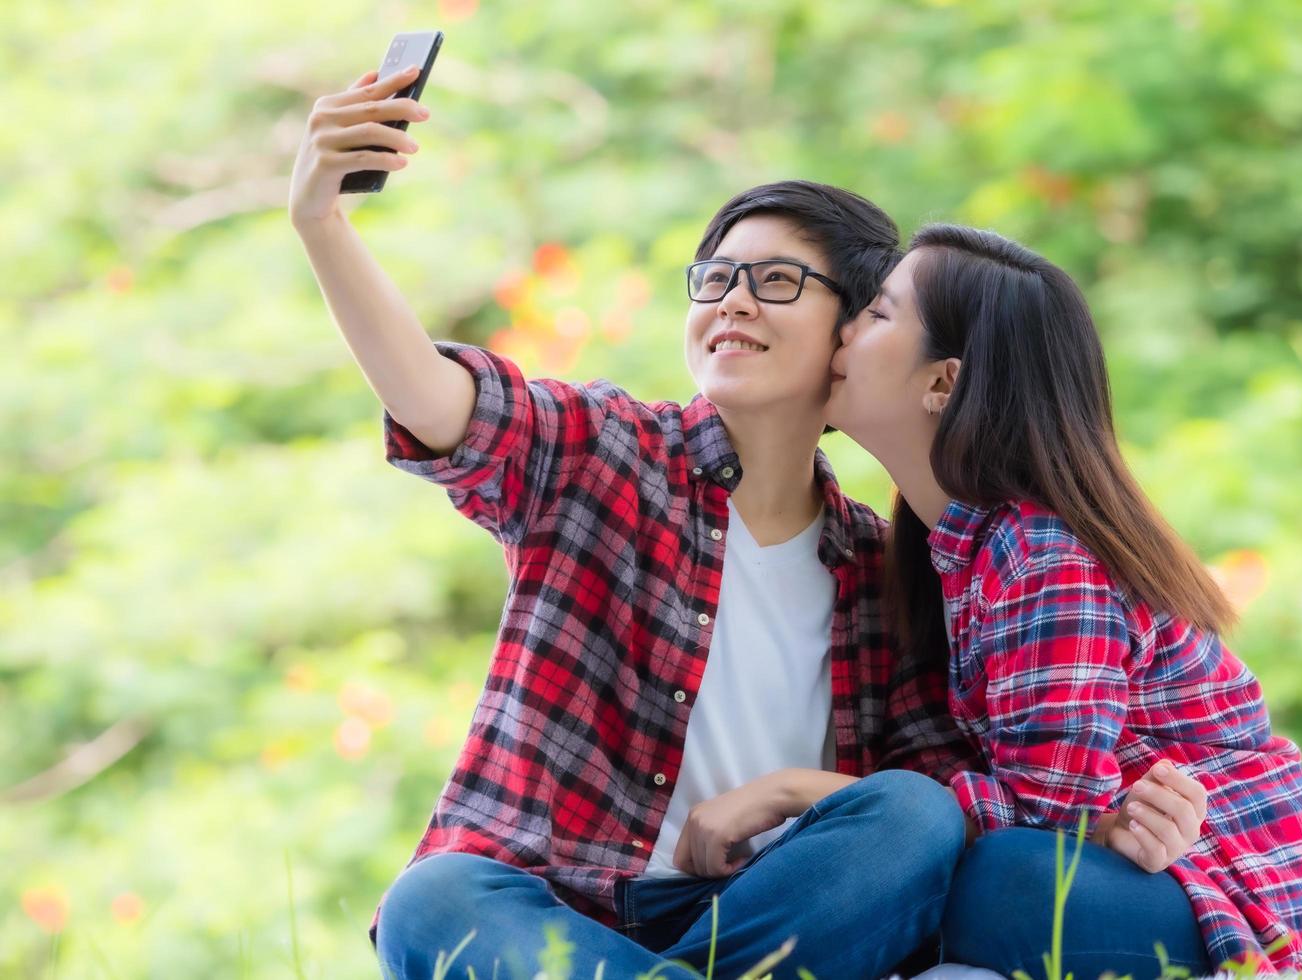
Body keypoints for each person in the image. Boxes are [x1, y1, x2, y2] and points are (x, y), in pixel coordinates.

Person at [289, 68, 1206, 979]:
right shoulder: (603, 454)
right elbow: (439, 398)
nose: (731, 299)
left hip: (774, 912)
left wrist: (1103, 817)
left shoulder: (891, 569)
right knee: (435, 897)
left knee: (912, 817)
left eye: (774, 281)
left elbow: (943, 806)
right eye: (714, 277)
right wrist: (322, 224)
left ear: (853, 334)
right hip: (555, 902)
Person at [824, 223, 1302, 976]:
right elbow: (1047, 806)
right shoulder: (942, 549)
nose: (842, 326)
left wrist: (804, 796)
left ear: (943, 382)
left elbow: (1047, 808)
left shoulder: (1041, 551)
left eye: (877, 313)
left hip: (1226, 871)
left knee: (1004, 882)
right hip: (1131, 865)